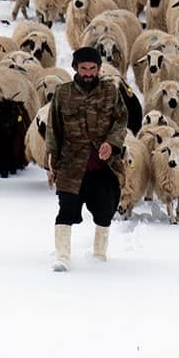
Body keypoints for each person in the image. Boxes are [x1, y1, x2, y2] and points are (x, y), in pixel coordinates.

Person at [46, 47, 128, 272]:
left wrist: (111, 143)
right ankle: (62, 257)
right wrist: (51, 161)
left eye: (93, 68)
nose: (89, 73)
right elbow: (53, 129)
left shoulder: (110, 92)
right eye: (84, 68)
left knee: (105, 209)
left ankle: (99, 254)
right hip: (71, 165)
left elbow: (121, 120)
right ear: (75, 68)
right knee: (67, 209)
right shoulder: (63, 93)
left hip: (102, 166)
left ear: (99, 68)